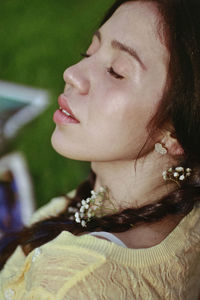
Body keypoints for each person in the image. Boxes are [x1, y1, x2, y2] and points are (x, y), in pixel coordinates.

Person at [1, 0, 200, 298]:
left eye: (116, 71)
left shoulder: (71, 286)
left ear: (176, 131)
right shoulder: (184, 204)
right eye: (90, 52)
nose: (72, 73)